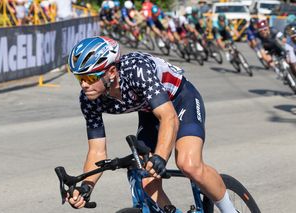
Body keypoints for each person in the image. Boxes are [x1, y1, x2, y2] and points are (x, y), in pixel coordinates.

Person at [66, 36, 237, 213]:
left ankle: (230, 210)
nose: (84, 85)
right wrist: (87, 186)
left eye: (90, 77)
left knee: (188, 164)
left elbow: (169, 117)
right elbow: (97, 150)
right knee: (146, 180)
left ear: (111, 72)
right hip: (150, 112)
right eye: (80, 78)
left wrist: (161, 157)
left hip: (180, 100)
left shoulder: (137, 71)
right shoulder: (89, 100)